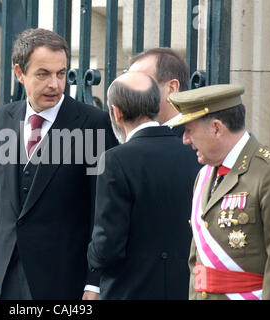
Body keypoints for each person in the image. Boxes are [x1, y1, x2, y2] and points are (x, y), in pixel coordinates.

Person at [0, 28, 117, 300]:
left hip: (63, 280)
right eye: (43, 74)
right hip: (6, 278)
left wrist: (94, 282)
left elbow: (102, 212)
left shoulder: (93, 123)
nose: (55, 85)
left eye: (61, 74)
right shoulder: (2, 118)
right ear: (19, 73)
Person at [87, 71, 200, 299]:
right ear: (156, 108)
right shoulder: (192, 153)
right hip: (185, 287)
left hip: (130, 289)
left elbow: (109, 245)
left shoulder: (115, 160)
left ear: (116, 113)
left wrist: (92, 256)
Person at [169, 84, 270, 300]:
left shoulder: (268, 171)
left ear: (217, 128)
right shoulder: (205, 175)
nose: (185, 140)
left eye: (190, 130)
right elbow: (197, 263)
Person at [128, 47, 190, 137]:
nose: (129, 91)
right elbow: (100, 149)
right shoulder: (127, 132)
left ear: (171, 88)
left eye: (139, 83)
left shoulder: (193, 142)